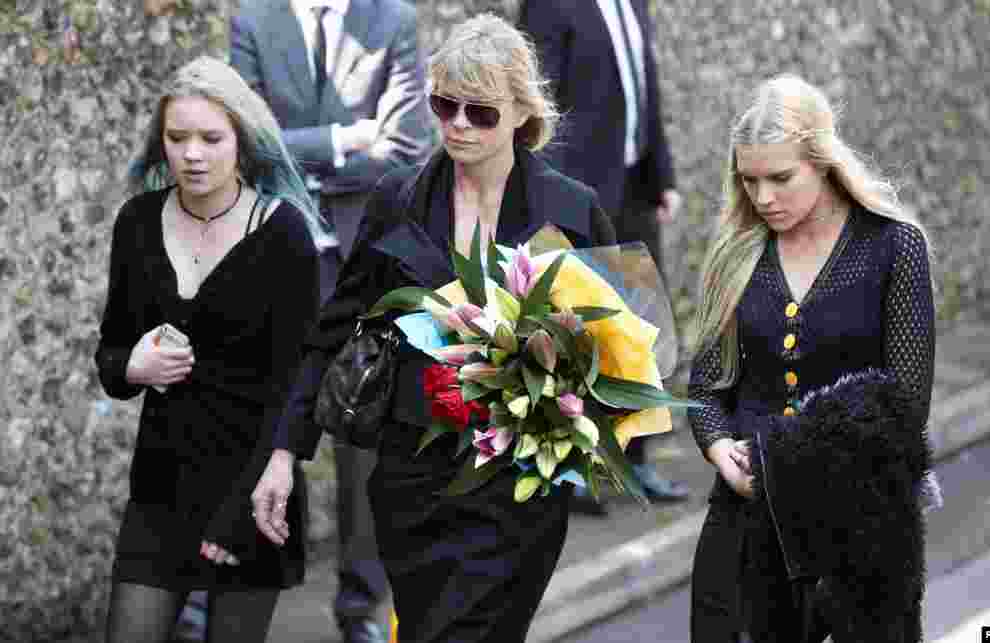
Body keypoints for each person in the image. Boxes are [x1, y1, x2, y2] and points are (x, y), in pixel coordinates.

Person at [250, 14, 616, 643]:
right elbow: (334, 328)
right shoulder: (399, 199)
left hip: (520, 491)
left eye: (480, 113)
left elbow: (621, 348)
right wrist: (285, 450)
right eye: (445, 106)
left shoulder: (571, 209)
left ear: (522, 113)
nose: (458, 126)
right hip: (413, 485)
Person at [686, 74, 935, 642]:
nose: (763, 198)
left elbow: (903, 406)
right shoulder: (736, 254)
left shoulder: (894, 246)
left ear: (822, 162)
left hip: (860, 520)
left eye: (780, 177)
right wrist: (720, 447)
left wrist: (780, 458)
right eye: (749, 180)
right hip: (746, 515)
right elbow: (705, 391)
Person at [94, 56, 324, 642]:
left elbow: (299, 377)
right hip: (162, 485)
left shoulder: (283, 232)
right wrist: (134, 366)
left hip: (254, 486)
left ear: (241, 141)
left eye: (210, 138)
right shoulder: (138, 223)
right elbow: (111, 357)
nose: (192, 153)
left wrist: (268, 477)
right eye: (177, 138)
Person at [230, 2, 433, 640]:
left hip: (361, 260)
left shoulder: (392, 18)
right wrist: (347, 139)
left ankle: (359, 607)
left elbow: (405, 148)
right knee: (261, 425)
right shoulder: (254, 19)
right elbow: (243, 143)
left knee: (361, 439)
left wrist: (297, 156)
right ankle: (245, 595)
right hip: (276, 254)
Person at [517, 0, 689, 507]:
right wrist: (555, 202)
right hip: (581, 194)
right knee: (582, 337)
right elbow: (540, 109)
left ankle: (635, 464)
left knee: (641, 329)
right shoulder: (549, 6)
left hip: (633, 186)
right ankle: (582, 472)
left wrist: (662, 176)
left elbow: (644, 86)